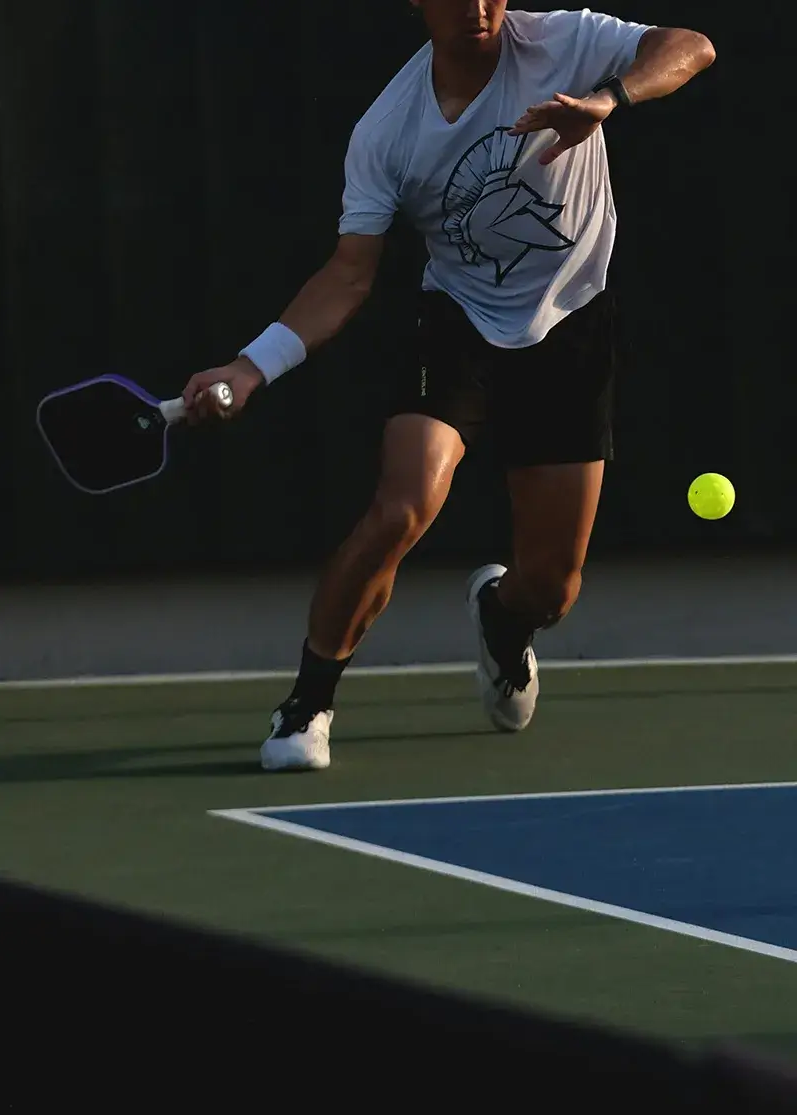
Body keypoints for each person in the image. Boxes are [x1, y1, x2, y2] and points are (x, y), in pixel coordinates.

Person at [183, 3, 716, 772]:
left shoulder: (563, 43)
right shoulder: (388, 130)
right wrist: (250, 365)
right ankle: (306, 704)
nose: (478, 9)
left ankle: (503, 619)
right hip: (459, 323)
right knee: (403, 506)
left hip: (572, 322)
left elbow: (691, 46)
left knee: (553, 589)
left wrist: (610, 99)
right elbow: (348, 274)